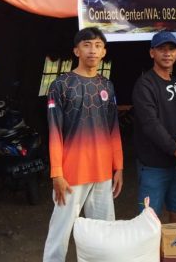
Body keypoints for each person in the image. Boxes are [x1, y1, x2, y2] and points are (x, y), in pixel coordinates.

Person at [42, 27, 123, 262]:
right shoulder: (61, 85)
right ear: (76, 50)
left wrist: (118, 166)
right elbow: (54, 132)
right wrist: (57, 173)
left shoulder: (107, 86)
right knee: (60, 232)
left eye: (98, 45)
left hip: (102, 172)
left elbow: (113, 129)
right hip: (71, 173)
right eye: (87, 45)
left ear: (104, 51)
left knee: (104, 231)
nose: (92, 50)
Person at [132, 31, 176, 223]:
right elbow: (150, 124)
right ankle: (151, 255)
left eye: (171, 49)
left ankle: (175, 254)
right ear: (152, 53)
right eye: (161, 49)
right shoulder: (145, 84)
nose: (167, 53)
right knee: (149, 219)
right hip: (153, 165)